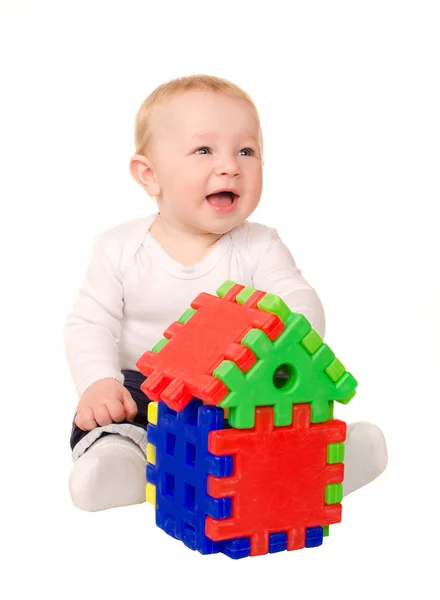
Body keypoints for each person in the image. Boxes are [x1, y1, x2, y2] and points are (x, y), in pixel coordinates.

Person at [65, 74, 388, 512]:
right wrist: (99, 382)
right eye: (204, 150)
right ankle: (121, 464)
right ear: (149, 174)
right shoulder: (119, 247)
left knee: (277, 423)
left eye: (246, 151)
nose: (230, 166)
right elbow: (91, 322)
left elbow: (298, 298)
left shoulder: (260, 245)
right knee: (113, 419)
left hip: (235, 387)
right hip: (146, 386)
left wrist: (280, 349)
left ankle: (327, 463)